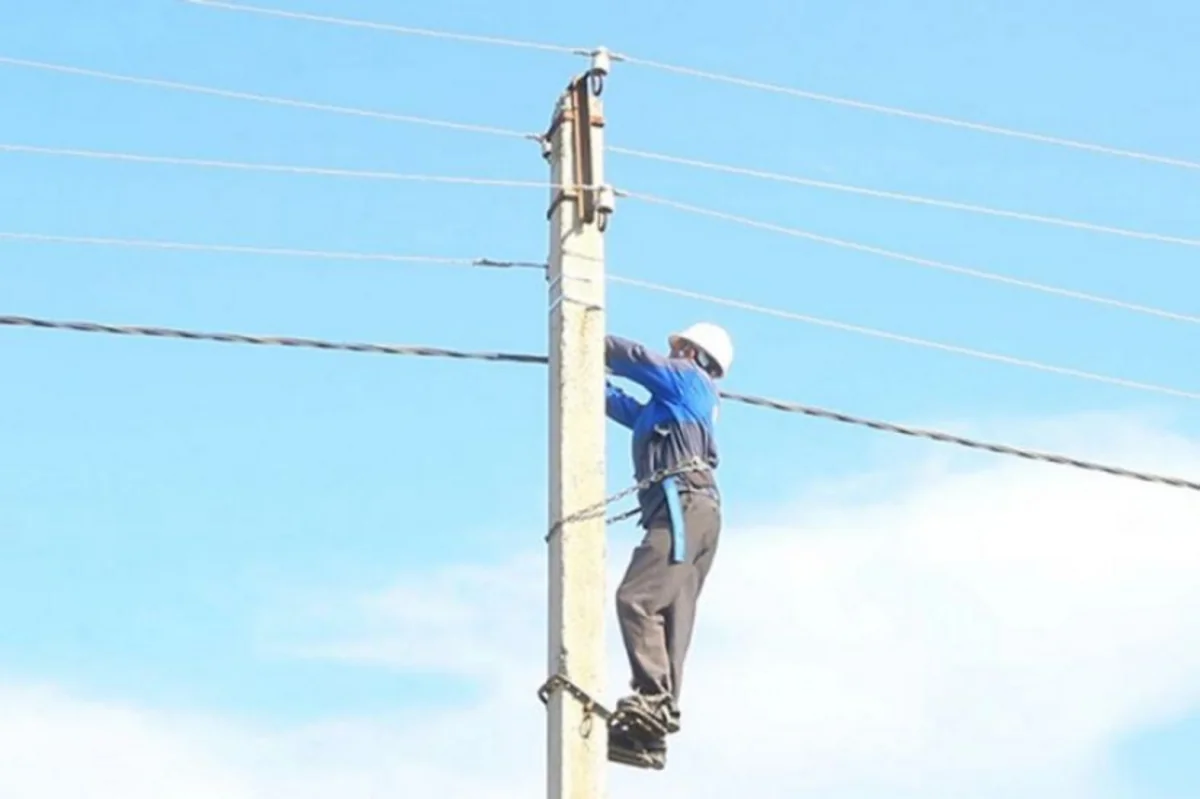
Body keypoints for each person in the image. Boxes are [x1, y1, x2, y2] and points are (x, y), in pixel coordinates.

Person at [604, 322, 733, 747]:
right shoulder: (670, 404)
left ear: (694, 355)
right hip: (697, 512)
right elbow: (621, 405)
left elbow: (637, 359)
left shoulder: (689, 381)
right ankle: (652, 731)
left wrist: (583, 338)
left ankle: (654, 698)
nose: (673, 356)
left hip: (683, 507)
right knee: (672, 616)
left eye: (678, 349)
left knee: (636, 599)